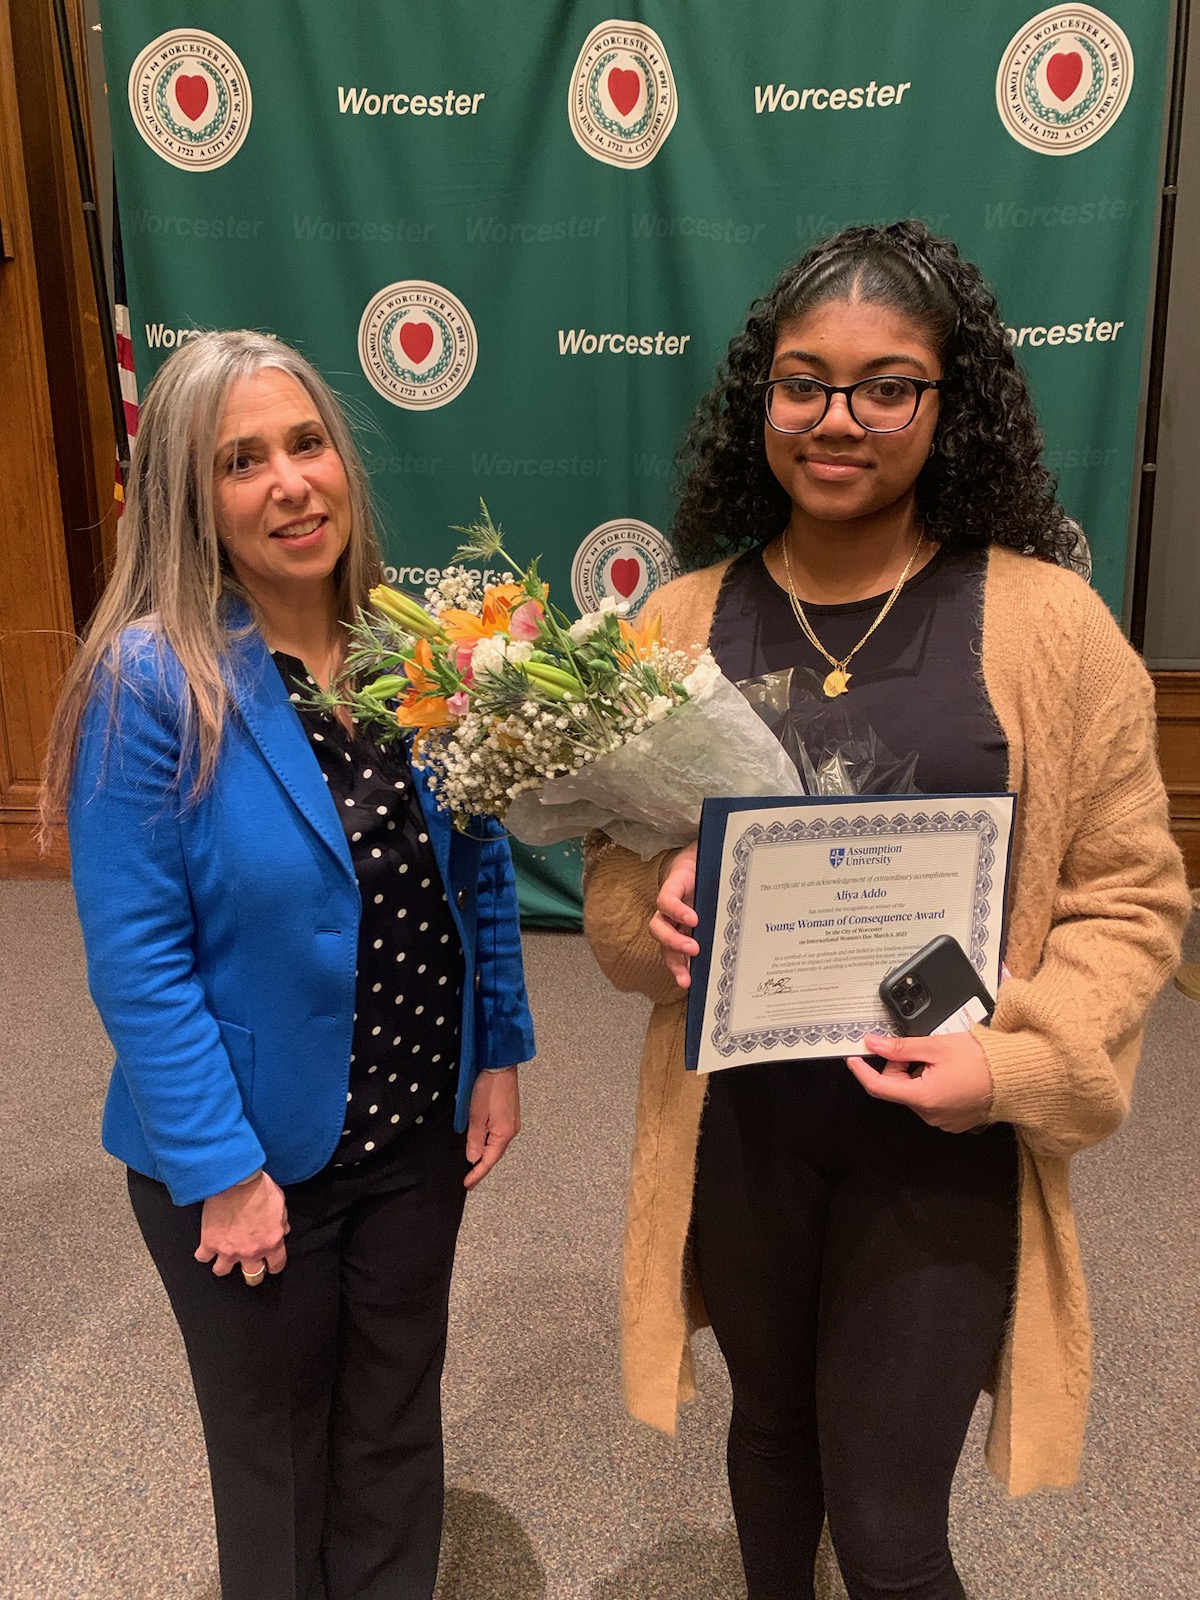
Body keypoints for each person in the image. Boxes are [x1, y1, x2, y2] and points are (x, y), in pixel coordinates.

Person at [582, 221, 1190, 1600]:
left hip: (943, 1134)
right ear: (762, 399)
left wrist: (1017, 1059)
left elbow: (1133, 894)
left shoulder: (1051, 625)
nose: (836, 419)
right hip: (741, 1129)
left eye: (886, 385)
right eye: (803, 382)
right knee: (773, 1437)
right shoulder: (676, 624)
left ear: (948, 402)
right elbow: (615, 879)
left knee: (888, 1519)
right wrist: (652, 908)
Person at [41, 330, 535, 1600]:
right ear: (187, 500)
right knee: (278, 1467)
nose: (290, 482)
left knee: (392, 1420)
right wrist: (222, 1171)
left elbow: (474, 867)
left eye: (306, 444)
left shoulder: (412, 651)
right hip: (252, 1160)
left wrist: (499, 1052)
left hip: (415, 1124)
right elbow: (139, 963)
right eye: (240, 461)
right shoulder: (152, 683)